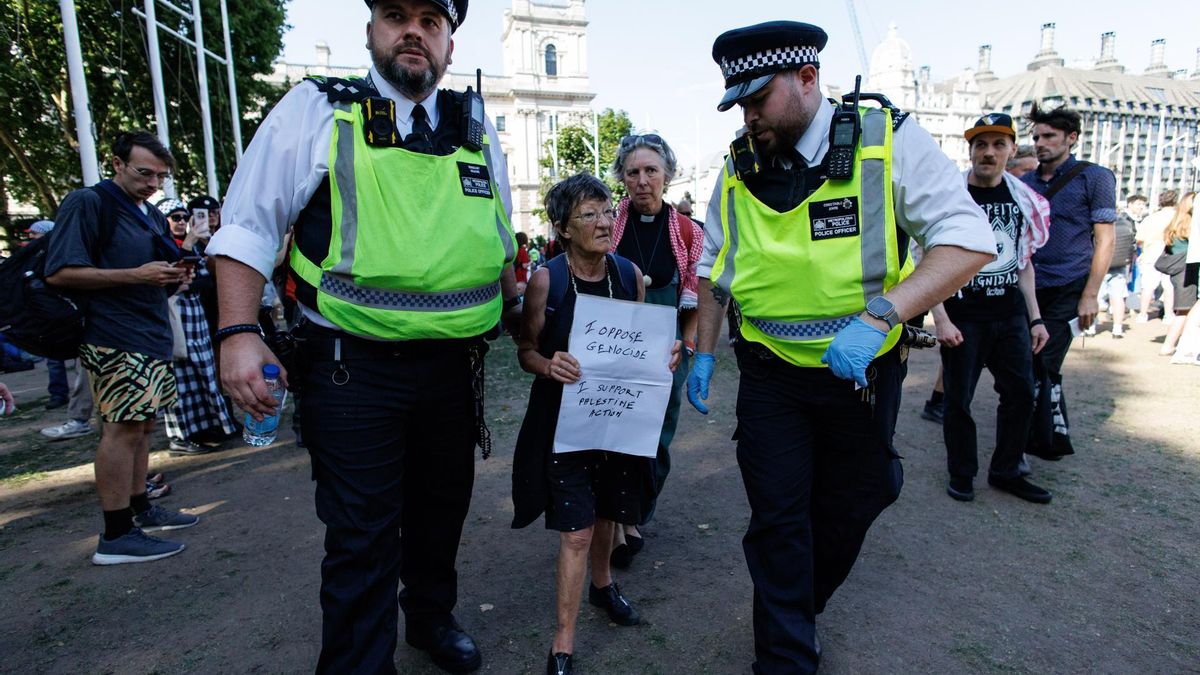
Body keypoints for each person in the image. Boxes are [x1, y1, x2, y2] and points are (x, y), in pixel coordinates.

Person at [207, 1, 520, 672]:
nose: (415, 31)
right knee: (362, 537)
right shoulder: (316, 108)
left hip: (451, 370)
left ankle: (431, 618)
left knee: (441, 515)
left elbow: (496, 245)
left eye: (432, 21)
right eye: (398, 14)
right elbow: (249, 225)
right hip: (352, 371)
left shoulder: (476, 126)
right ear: (372, 30)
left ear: (450, 44)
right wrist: (237, 332)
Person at [686, 21, 995, 673]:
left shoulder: (887, 142)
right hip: (769, 377)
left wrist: (884, 312)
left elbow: (968, 237)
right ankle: (785, 652)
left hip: (860, 376)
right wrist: (704, 351)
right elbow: (713, 266)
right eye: (738, 104)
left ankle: (796, 604)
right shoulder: (738, 166)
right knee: (777, 517)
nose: (748, 118)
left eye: (756, 99)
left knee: (861, 494)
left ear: (806, 80)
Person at [511, 174, 677, 675]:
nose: (605, 222)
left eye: (608, 211)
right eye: (590, 214)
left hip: (618, 420)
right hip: (567, 424)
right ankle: (562, 644)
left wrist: (663, 354)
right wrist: (548, 364)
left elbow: (641, 345)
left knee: (610, 513)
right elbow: (525, 351)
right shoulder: (548, 280)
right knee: (577, 532)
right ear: (563, 228)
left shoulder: (630, 275)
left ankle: (603, 588)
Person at [43, 130, 200, 565]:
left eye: (161, 176)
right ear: (116, 163)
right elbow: (59, 273)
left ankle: (140, 509)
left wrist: (171, 276)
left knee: (143, 426)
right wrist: (137, 276)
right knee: (122, 428)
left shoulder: (146, 210)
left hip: (149, 333)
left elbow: (150, 268)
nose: (153, 183)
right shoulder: (88, 203)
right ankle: (115, 535)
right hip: (112, 335)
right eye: (144, 172)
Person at [932, 113, 1053, 504]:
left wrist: (1035, 318)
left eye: (998, 144)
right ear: (970, 150)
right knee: (958, 402)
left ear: (1012, 150)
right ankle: (961, 472)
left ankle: (1006, 469)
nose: (988, 152)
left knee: (1021, 395)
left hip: (1010, 318)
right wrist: (942, 319)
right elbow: (926, 261)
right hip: (963, 320)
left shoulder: (1021, 199)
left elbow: (1022, 262)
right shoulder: (950, 198)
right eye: (980, 145)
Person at [606, 133, 703, 567]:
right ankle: (618, 523)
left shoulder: (687, 231)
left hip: (668, 349)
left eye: (651, 170)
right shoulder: (607, 225)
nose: (642, 180)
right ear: (622, 178)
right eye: (633, 172)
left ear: (667, 175)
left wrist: (690, 348)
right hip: (613, 346)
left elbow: (696, 298)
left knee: (656, 437)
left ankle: (637, 513)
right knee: (614, 434)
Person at [1020, 104, 1117, 461]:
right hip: (1028, 286)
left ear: (1071, 138)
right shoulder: (1025, 182)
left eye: (1048, 137)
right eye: (1036, 137)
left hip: (1069, 284)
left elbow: (1105, 239)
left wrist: (1091, 295)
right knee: (1025, 362)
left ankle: (1045, 436)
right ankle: (1043, 430)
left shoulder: (1095, 177)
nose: (1040, 144)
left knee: (1046, 362)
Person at [155, 198, 239, 455]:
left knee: (202, 375)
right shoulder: (162, 244)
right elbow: (173, 278)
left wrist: (202, 243)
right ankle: (180, 436)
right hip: (175, 317)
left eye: (184, 217)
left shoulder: (196, 243)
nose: (181, 222)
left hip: (198, 317)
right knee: (179, 379)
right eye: (175, 218)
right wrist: (189, 243)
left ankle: (206, 429)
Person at [1093, 194, 1143, 338]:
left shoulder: (1097, 223)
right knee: (1118, 297)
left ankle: (1090, 327)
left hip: (1098, 264)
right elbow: (1133, 245)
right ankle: (1117, 328)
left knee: (1095, 296)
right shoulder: (1126, 223)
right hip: (1120, 264)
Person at [1161, 192, 1197, 359]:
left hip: (1178, 272)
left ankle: (1174, 345)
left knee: (1184, 311)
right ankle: (1174, 345)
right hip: (1187, 272)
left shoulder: (1176, 223)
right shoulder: (1189, 226)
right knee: (1186, 311)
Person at [1137, 190, 1178, 325]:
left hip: (1150, 255)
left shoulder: (1151, 218)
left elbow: (1139, 239)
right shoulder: (1178, 218)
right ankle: (1168, 315)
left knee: (1147, 287)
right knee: (1169, 287)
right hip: (1171, 256)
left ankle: (1142, 314)